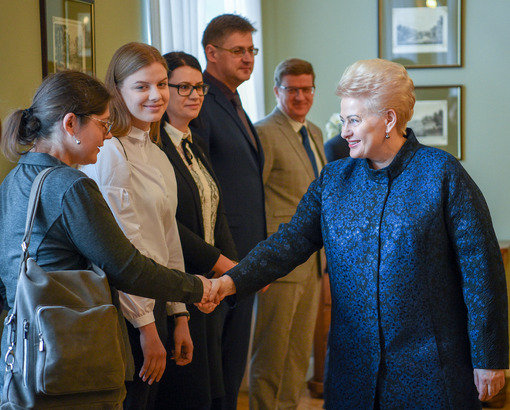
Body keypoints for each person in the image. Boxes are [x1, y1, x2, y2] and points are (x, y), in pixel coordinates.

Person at [210, 59, 509, 408]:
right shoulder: (334, 179)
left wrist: (489, 357)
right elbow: (288, 243)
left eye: (353, 120)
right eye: (343, 121)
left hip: (430, 367)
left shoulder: (441, 173)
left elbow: (481, 270)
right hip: (352, 368)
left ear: (389, 119)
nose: (344, 132)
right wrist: (231, 281)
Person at [0, 70, 213, 405]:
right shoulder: (71, 186)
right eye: (102, 123)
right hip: (71, 360)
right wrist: (199, 287)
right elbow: (127, 269)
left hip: (23, 358)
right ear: (71, 124)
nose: (108, 133)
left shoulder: (14, 179)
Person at [80, 43, 193, 410]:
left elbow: (167, 238)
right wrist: (146, 326)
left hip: (157, 300)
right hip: (125, 309)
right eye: (142, 86)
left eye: (161, 84)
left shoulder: (157, 154)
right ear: (117, 91)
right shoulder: (110, 151)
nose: (156, 95)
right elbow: (120, 246)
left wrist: (179, 313)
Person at [153, 51, 238, 409]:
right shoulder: (155, 148)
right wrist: (221, 263)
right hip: (178, 281)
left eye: (199, 87)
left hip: (208, 285)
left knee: (210, 389)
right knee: (186, 393)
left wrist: (234, 268)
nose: (194, 94)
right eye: (183, 87)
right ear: (164, 91)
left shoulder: (195, 143)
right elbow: (169, 224)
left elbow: (215, 211)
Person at [190, 14, 266, 410]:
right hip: (220, 257)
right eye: (238, 50)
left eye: (251, 50)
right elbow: (203, 186)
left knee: (233, 362)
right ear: (212, 52)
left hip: (246, 255)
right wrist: (225, 258)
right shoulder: (200, 101)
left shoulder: (234, 102)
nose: (248, 58)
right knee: (217, 369)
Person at [250, 58, 325, 409]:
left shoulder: (315, 132)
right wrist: (259, 263)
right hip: (280, 260)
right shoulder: (263, 132)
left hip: (313, 261)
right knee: (272, 350)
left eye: (306, 89)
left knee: (297, 350)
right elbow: (254, 199)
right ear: (277, 90)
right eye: (292, 89)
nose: (300, 96)